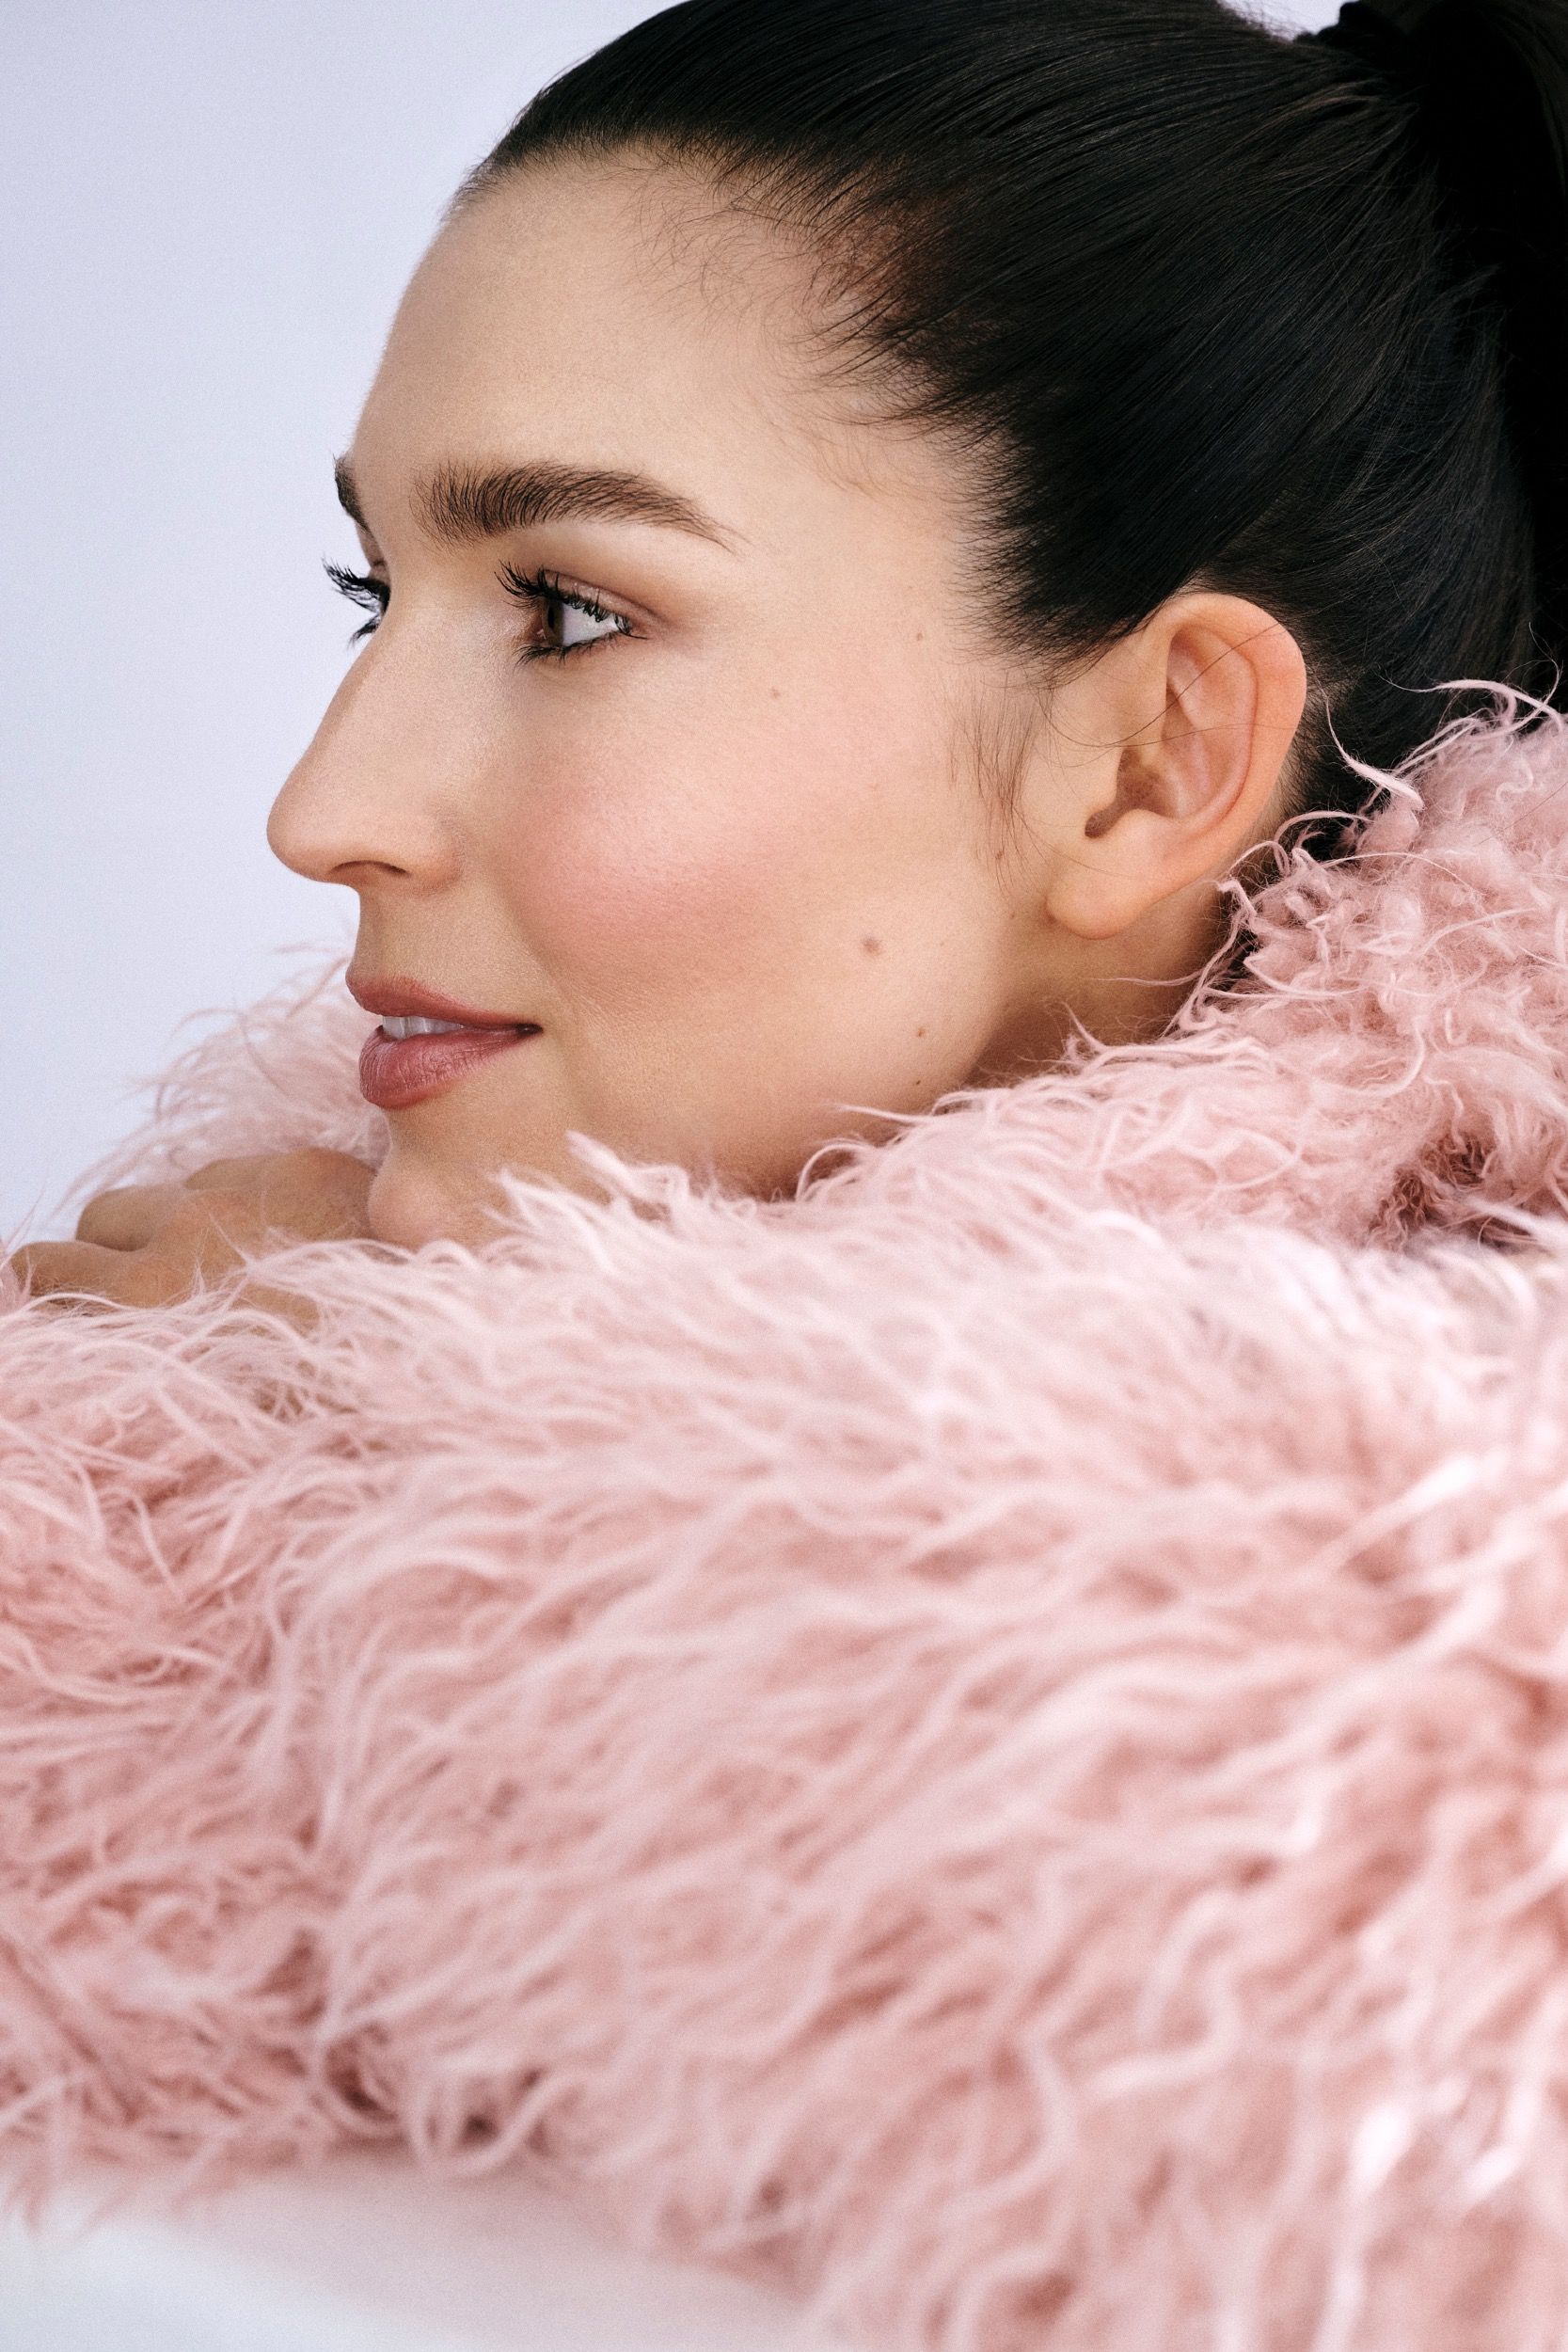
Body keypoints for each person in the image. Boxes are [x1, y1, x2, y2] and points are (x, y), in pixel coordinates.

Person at [10, 0, 1566, 1296]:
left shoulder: (1445, 1540)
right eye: (377, 596)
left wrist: (372, 1466)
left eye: (571, 614)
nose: (320, 817)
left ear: (1148, 767)